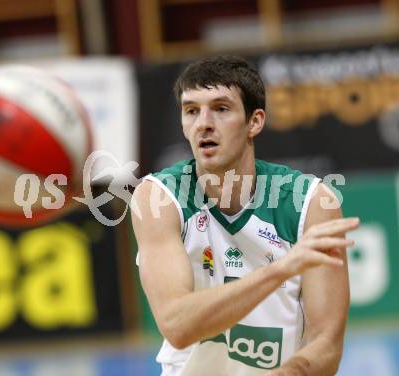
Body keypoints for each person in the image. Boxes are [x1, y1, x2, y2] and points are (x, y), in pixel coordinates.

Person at [131, 55, 359, 375]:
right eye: (191, 110)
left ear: (255, 122)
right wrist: (281, 269)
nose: (204, 123)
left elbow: (326, 343)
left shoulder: (310, 202)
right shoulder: (158, 198)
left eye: (221, 109)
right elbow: (177, 325)